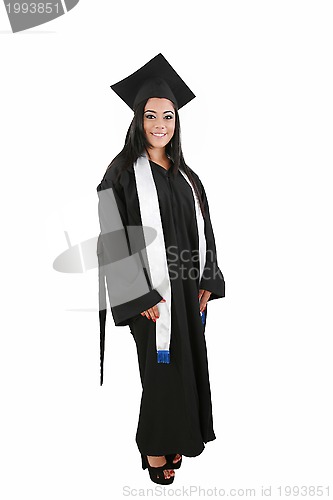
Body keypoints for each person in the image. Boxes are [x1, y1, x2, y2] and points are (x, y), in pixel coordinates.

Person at [96, 53, 225, 485]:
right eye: (150, 115)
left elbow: (205, 231)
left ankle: (178, 437)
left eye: (167, 116)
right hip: (151, 298)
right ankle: (154, 446)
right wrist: (139, 295)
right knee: (159, 372)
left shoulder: (188, 176)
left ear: (176, 121)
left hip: (188, 292)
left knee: (186, 368)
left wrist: (207, 280)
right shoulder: (121, 173)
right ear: (137, 119)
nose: (159, 124)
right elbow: (112, 236)